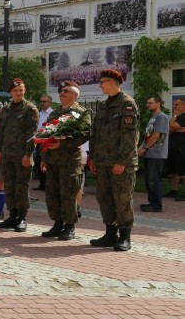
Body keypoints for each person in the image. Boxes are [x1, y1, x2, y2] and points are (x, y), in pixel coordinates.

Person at [87, 68, 139, 252]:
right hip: (102, 161)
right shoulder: (102, 106)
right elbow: (95, 134)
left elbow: (130, 137)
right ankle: (110, 233)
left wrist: (122, 161)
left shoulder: (127, 104)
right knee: (104, 198)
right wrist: (92, 157)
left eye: (102, 82)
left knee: (122, 198)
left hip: (120, 163)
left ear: (112, 82)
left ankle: (125, 236)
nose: (100, 85)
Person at [39, 81, 91, 241]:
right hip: (53, 160)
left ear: (75, 95)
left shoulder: (81, 113)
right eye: (61, 91)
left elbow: (85, 135)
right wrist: (44, 157)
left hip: (69, 161)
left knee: (68, 194)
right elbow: (45, 134)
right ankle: (57, 224)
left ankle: (69, 226)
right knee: (52, 193)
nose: (62, 93)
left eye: (66, 91)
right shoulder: (54, 113)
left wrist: (62, 143)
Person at [0, 78, 38, 232]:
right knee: (9, 185)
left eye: (21, 90)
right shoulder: (6, 109)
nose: (18, 93)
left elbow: (31, 134)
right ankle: (12, 215)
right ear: (10, 93)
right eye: (15, 91)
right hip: (6, 154)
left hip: (21, 155)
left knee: (21, 186)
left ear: (24, 91)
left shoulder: (30, 109)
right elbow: (0, 131)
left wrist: (28, 154)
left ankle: (22, 217)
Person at [138, 95, 168, 213]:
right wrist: (141, 148)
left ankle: (156, 205)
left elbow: (156, 135)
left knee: (154, 180)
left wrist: (145, 148)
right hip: (149, 153)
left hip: (157, 153)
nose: (148, 105)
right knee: (148, 179)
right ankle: (151, 202)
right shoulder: (153, 118)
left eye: (150, 103)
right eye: (147, 103)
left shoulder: (161, 117)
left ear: (158, 103)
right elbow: (148, 136)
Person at [33, 94, 54, 191]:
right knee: (38, 162)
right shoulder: (39, 113)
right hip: (39, 141)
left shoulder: (53, 113)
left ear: (50, 103)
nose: (42, 103)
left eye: (44, 101)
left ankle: (48, 184)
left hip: (47, 141)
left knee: (47, 162)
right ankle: (42, 183)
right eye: (41, 101)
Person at [168, 98, 185, 201]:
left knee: (183, 172)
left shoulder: (182, 117)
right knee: (172, 172)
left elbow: (172, 127)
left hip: (181, 148)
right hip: (172, 147)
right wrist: (173, 125)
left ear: (183, 105)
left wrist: (174, 117)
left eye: (177, 104)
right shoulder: (177, 117)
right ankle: (174, 191)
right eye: (174, 104)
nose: (174, 106)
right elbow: (170, 128)